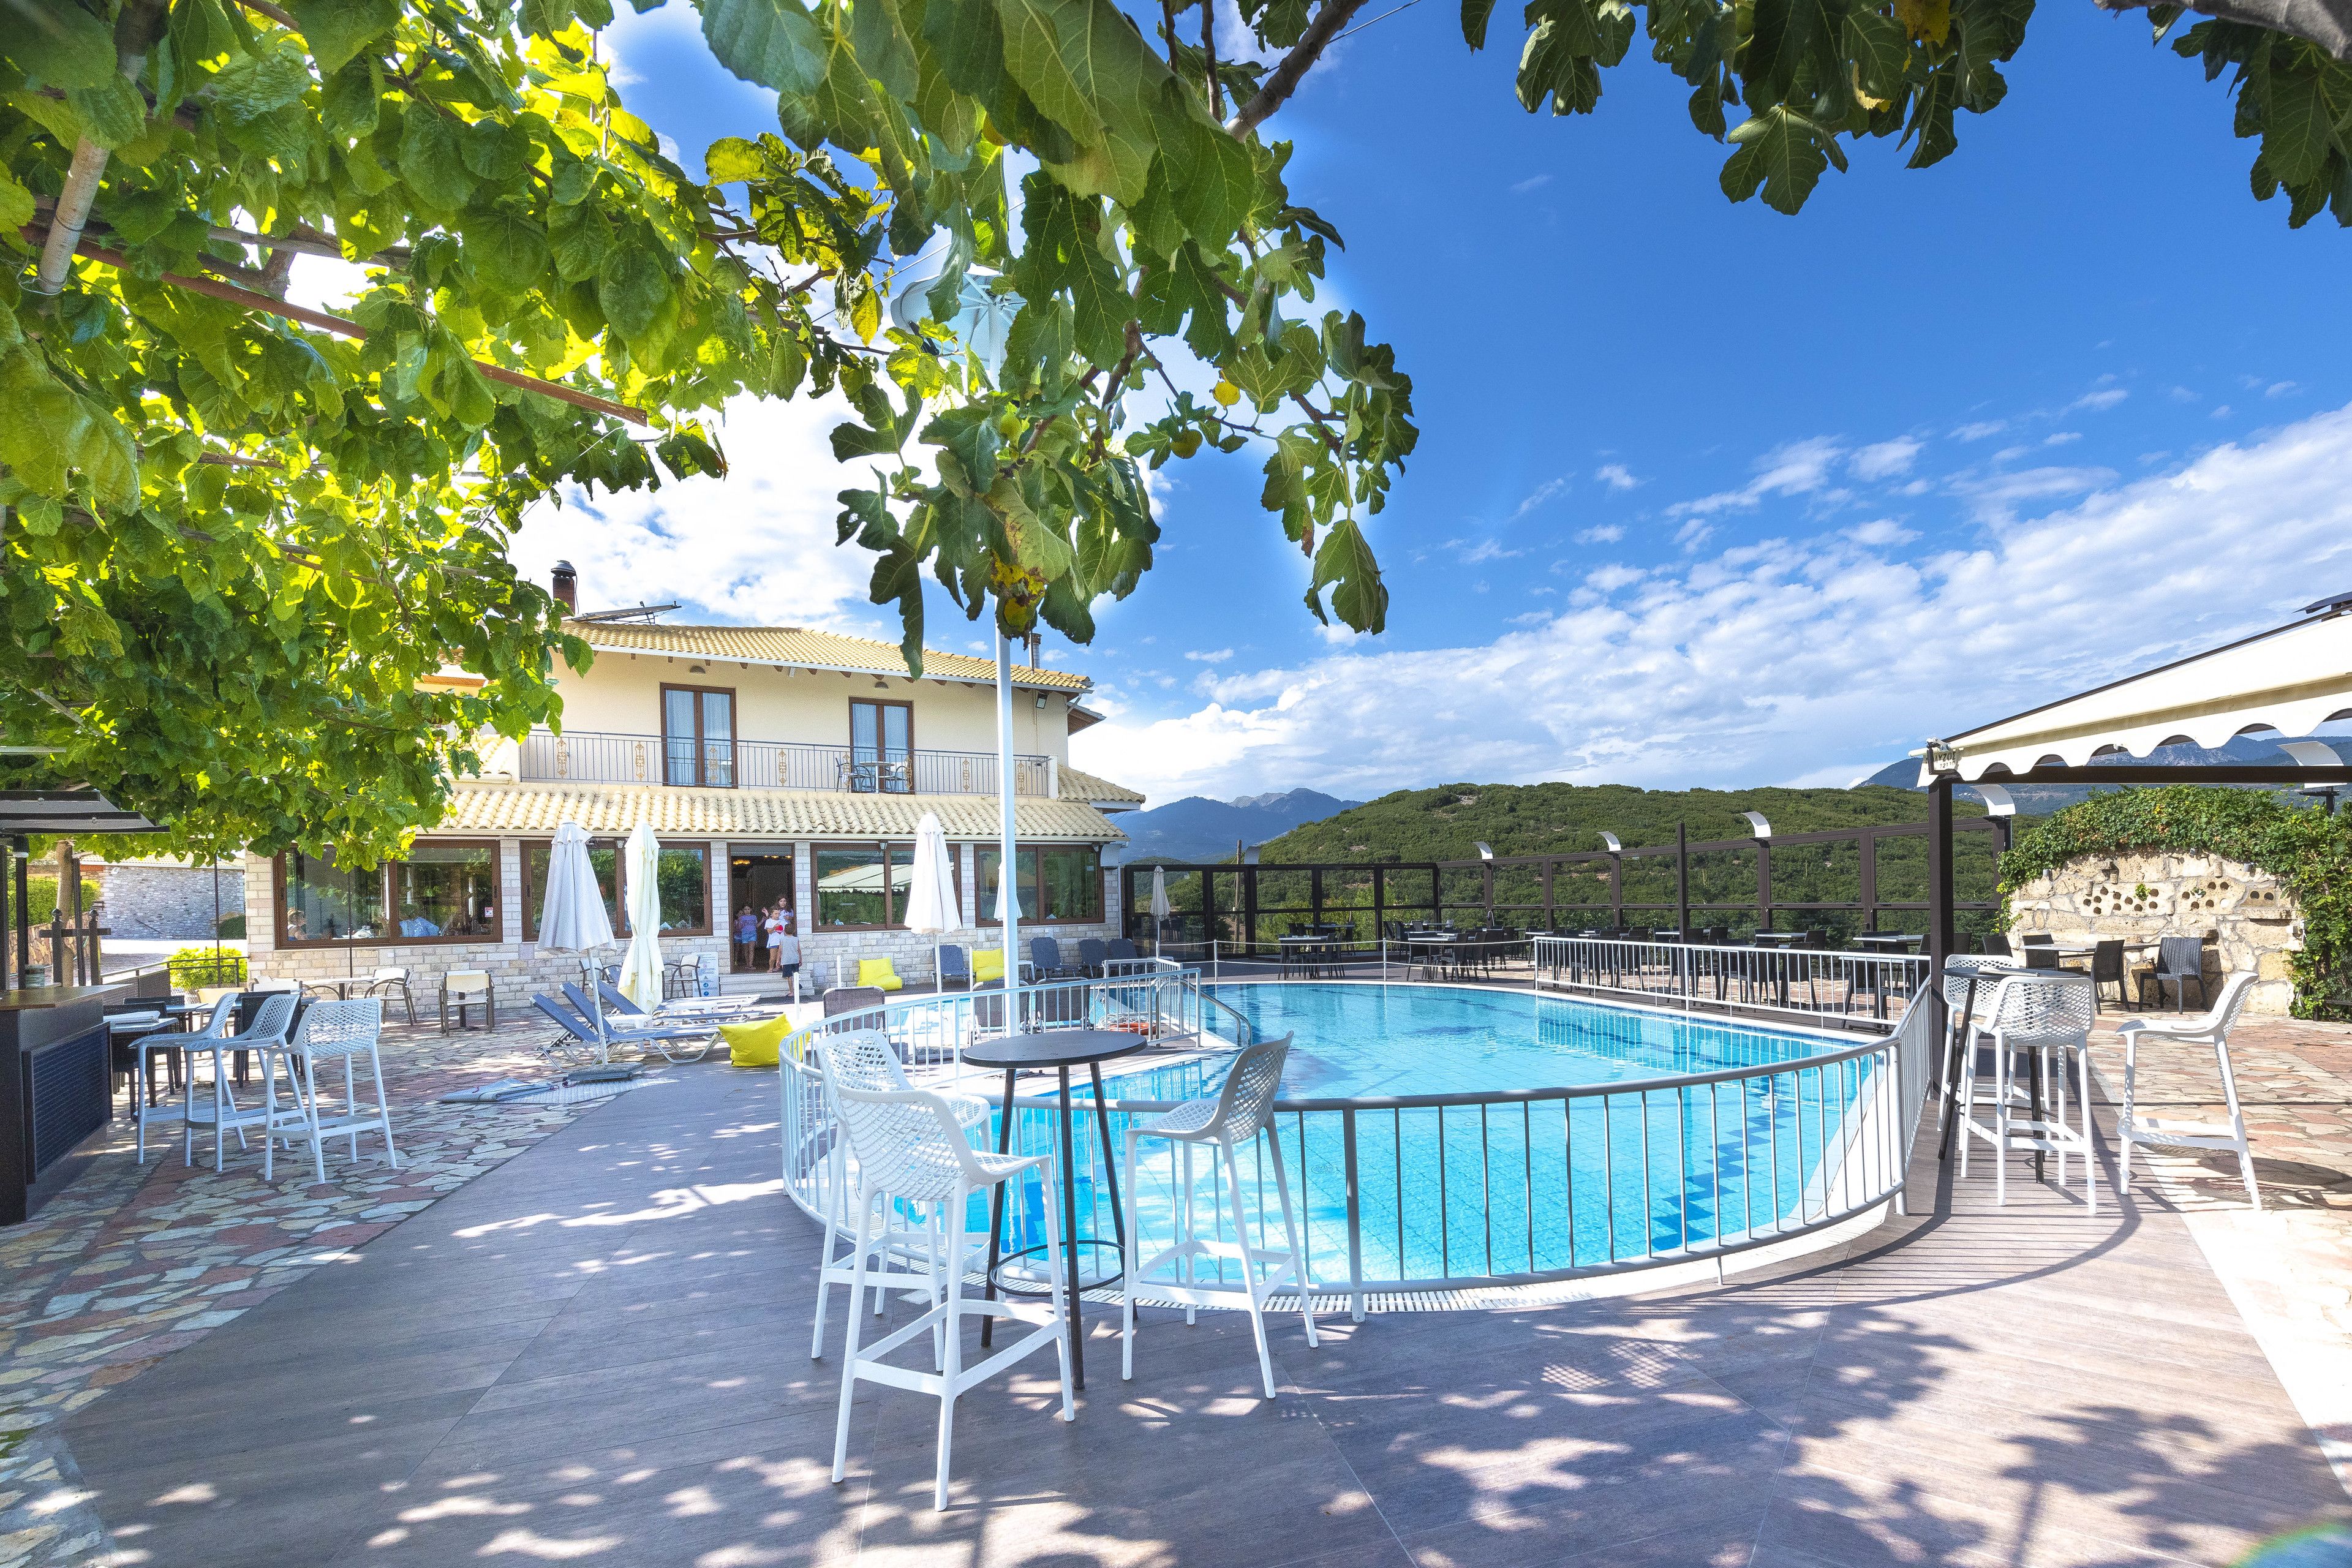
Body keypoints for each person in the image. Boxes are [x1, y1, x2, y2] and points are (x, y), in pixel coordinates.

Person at [768, 903, 801, 990]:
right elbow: (769, 931)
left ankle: (792, 989)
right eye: (776, 914)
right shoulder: (769, 921)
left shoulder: (783, 924)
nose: (778, 915)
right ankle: (772, 968)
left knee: (790, 974)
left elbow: (781, 952)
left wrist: (779, 961)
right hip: (774, 942)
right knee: (773, 957)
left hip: (786, 959)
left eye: (779, 914)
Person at [734, 904, 757, 970]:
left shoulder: (754, 917)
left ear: (751, 910)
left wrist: (762, 921)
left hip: (753, 934)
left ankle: (751, 965)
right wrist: (739, 921)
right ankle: (747, 964)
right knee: (746, 950)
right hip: (745, 935)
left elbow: (756, 926)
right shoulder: (741, 918)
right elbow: (738, 928)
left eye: (748, 909)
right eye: (745, 909)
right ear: (743, 911)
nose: (747, 911)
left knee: (751, 949)